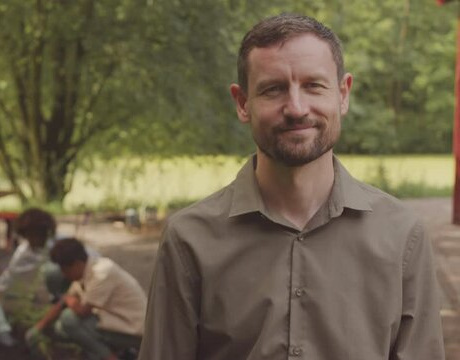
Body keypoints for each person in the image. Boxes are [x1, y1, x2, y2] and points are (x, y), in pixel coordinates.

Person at [139, 13, 445, 360]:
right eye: (273, 89)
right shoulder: (189, 239)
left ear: (343, 95)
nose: (296, 108)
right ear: (242, 103)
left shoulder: (403, 235)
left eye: (314, 85)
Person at [26, 238, 146, 360]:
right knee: (60, 328)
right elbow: (64, 302)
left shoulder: (102, 272)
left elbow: (82, 311)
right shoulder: (84, 272)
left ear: (77, 264)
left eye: (65, 270)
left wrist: (67, 298)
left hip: (135, 331)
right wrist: (38, 327)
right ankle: (121, 352)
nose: (64, 274)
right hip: (120, 323)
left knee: (69, 319)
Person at [0, 207, 98, 301]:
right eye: (29, 235)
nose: (33, 239)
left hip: (82, 285)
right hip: (57, 290)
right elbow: (10, 274)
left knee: (53, 271)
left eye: (36, 234)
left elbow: (91, 258)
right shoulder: (24, 251)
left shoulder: (61, 241)